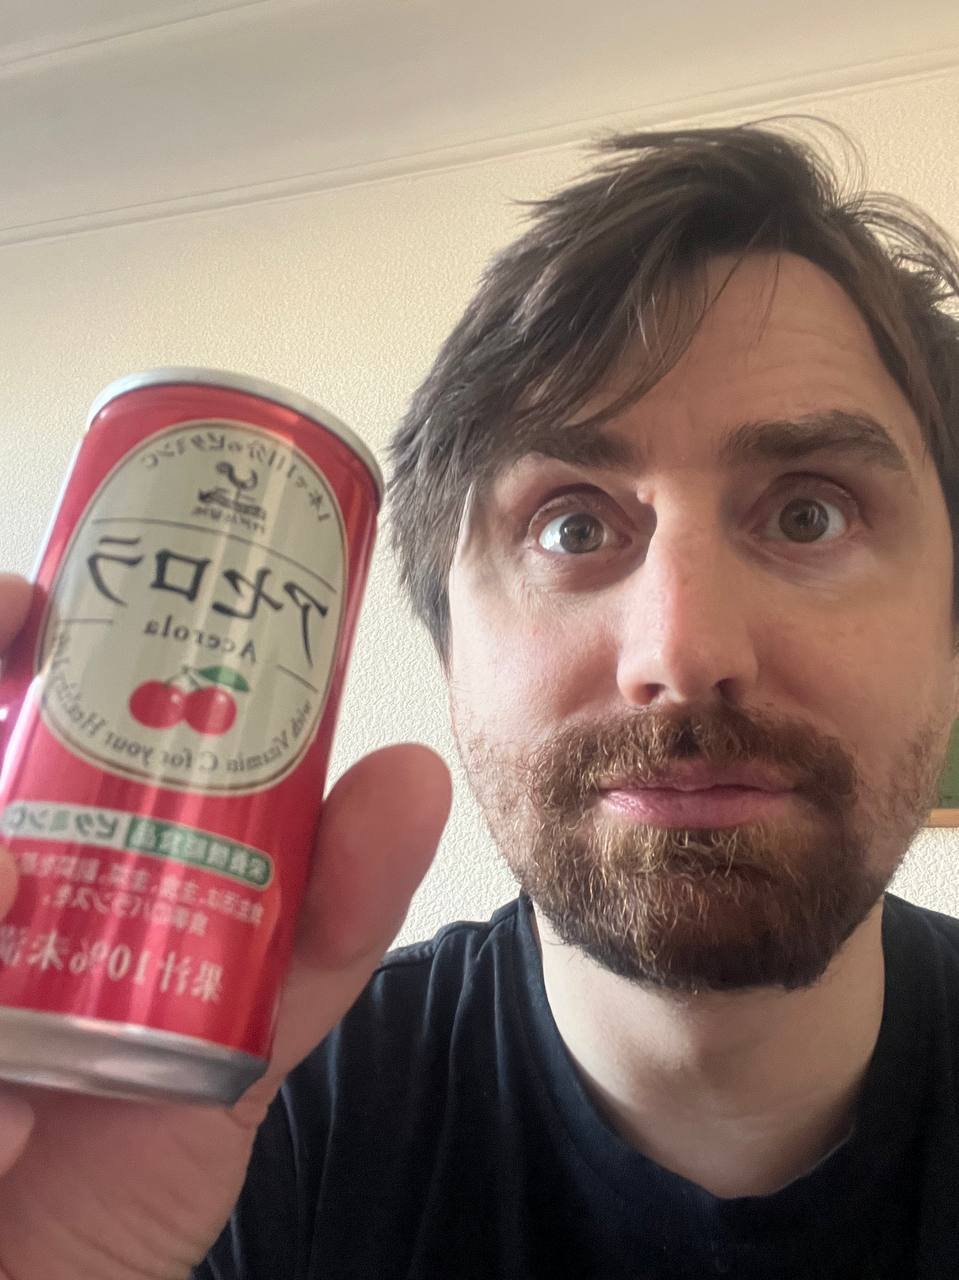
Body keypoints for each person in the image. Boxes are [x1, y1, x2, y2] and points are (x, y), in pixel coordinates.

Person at [0, 118, 959, 1278]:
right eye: (571, 527)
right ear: (448, 645)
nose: (682, 649)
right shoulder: (232, 1137)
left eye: (808, 513)